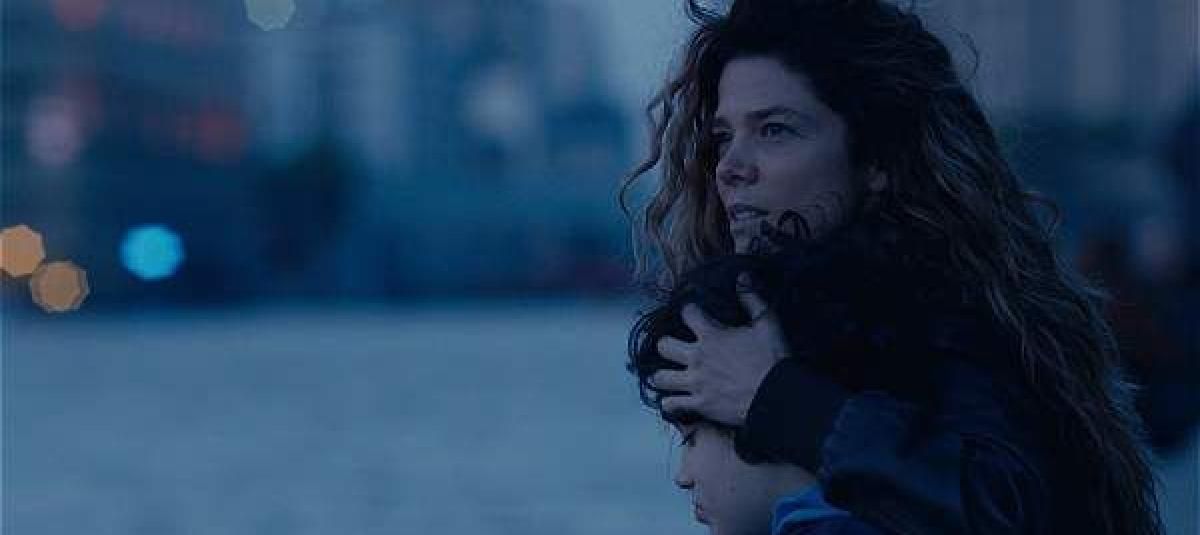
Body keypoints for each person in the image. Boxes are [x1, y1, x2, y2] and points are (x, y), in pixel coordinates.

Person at [620, 0, 1164, 533]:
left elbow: (1005, 508)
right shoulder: (802, 314)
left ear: (877, 157)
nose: (731, 168)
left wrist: (777, 397)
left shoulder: (956, 311)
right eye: (723, 137)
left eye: (775, 130)